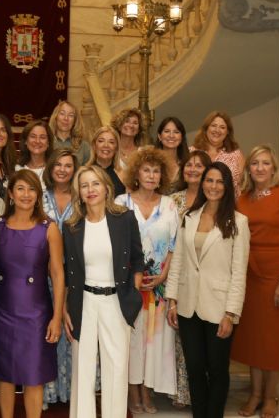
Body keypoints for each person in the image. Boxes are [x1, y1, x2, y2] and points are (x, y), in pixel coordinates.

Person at [165, 162, 250, 418]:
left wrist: (231, 314)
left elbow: (239, 273)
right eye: (209, 180)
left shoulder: (238, 221)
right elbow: (178, 260)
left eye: (219, 182)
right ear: (202, 184)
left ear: (227, 186)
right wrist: (172, 301)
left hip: (219, 308)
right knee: (194, 368)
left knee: (217, 369)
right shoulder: (189, 217)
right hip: (188, 306)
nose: (213, 186)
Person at [63, 165, 144, 418]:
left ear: (107, 187)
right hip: (83, 302)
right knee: (83, 371)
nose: (90, 190)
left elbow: (138, 260)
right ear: (79, 191)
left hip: (116, 302)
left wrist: (134, 295)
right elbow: (69, 271)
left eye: (95, 183)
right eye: (84, 185)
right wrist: (66, 308)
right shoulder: (72, 225)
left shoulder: (125, 218)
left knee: (117, 370)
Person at [231, 145, 279, 418]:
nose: (260, 168)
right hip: (249, 273)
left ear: (274, 168)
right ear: (248, 169)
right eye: (254, 163)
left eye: (265, 163)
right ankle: (255, 394)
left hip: (277, 274)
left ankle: (271, 397)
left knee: (272, 339)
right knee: (253, 339)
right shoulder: (243, 198)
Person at [0, 169, 65, 418]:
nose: (26, 194)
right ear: (10, 193)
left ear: (38, 195)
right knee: (5, 374)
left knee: (34, 376)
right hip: (1, 310)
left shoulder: (48, 228)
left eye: (32, 189)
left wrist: (56, 317)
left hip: (36, 313)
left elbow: (57, 274)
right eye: (20, 188)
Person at [115, 147, 179, 413]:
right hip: (130, 285)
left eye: (156, 171)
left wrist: (163, 274)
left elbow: (176, 244)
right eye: (146, 170)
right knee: (132, 340)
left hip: (159, 287)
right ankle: (132, 392)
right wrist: (133, 276)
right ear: (136, 173)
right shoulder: (121, 202)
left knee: (154, 343)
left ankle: (147, 391)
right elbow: (116, 244)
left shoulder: (170, 204)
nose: (151, 175)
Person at [169, 149, 212, 409]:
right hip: (177, 272)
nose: (193, 169)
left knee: (205, 340)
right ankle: (183, 393)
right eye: (189, 165)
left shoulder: (214, 200)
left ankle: (206, 393)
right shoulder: (172, 200)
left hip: (207, 279)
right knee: (182, 339)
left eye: (199, 166)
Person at [41, 148, 78, 407]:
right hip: (44, 276)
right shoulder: (39, 198)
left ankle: (73, 391)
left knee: (71, 330)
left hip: (76, 276)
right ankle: (49, 391)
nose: (63, 169)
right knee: (48, 331)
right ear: (51, 168)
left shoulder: (83, 198)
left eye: (68, 165)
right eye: (59, 164)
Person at [190, 111, 244, 197]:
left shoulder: (236, 155)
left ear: (227, 132)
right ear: (206, 129)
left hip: (227, 206)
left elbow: (242, 185)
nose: (217, 130)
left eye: (222, 127)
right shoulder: (192, 152)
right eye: (213, 125)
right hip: (197, 205)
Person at [87, 126, 127, 196]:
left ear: (116, 148)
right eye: (101, 141)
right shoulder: (84, 172)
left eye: (111, 142)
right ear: (94, 145)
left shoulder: (124, 175)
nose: (106, 145)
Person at [15, 119, 54, 190]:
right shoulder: (17, 169)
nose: (37, 141)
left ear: (48, 143)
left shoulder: (54, 169)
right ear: (26, 141)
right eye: (33, 136)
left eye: (42, 137)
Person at [49, 100, 91, 165]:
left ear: (75, 121)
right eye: (62, 113)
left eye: (71, 115)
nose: (66, 118)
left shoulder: (84, 146)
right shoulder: (46, 143)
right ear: (55, 117)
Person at [155, 117, 190, 193]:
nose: (171, 135)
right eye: (167, 131)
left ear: (181, 137)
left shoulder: (188, 163)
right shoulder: (152, 162)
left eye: (176, 132)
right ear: (159, 136)